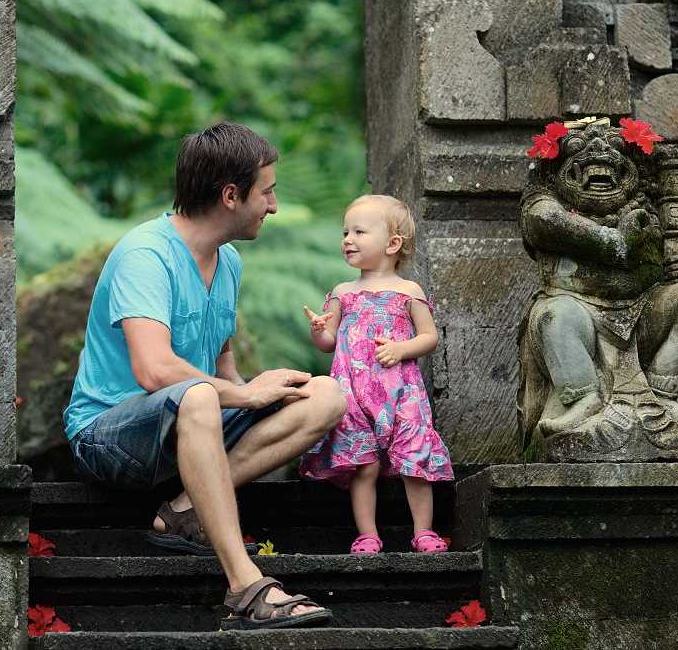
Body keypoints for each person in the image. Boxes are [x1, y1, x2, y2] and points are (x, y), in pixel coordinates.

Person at [63, 122, 345, 630]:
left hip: (191, 426)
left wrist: (259, 389)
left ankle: (183, 508)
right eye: (267, 192)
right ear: (231, 195)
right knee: (195, 395)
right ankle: (245, 586)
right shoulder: (146, 254)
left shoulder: (228, 261)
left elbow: (222, 364)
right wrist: (244, 395)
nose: (274, 206)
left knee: (323, 394)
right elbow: (154, 369)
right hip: (107, 438)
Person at [300, 194, 454, 555]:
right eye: (345, 232)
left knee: (414, 459)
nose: (347, 239)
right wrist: (319, 331)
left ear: (392, 243)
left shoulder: (408, 291)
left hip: (401, 391)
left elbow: (429, 336)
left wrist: (401, 349)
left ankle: (424, 531)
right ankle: (367, 533)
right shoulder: (343, 293)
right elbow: (328, 343)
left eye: (359, 232)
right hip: (352, 393)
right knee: (363, 464)